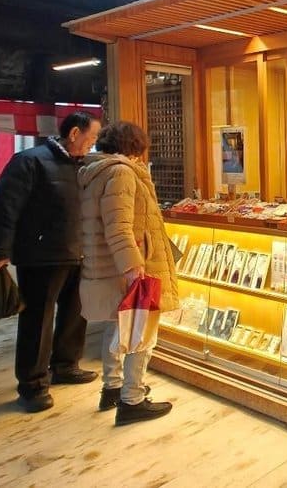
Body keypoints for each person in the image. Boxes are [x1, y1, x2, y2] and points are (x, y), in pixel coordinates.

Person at [0, 111, 100, 413]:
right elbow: (4, 207)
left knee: (77, 311)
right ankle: (32, 384)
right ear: (74, 133)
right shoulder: (30, 161)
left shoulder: (85, 166)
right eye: (92, 137)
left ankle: (65, 364)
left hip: (79, 251)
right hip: (41, 255)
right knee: (38, 318)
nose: (93, 144)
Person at [78, 121, 178, 425]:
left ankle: (112, 387)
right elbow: (119, 228)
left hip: (111, 266)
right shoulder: (122, 172)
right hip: (131, 266)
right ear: (133, 146)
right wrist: (134, 269)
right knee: (141, 332)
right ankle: (132, 398)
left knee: (118, 326)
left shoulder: (96, 172)